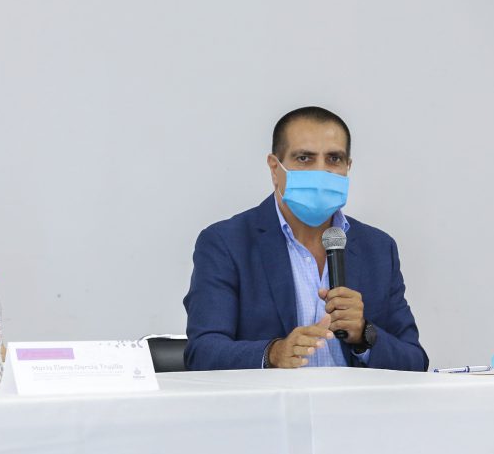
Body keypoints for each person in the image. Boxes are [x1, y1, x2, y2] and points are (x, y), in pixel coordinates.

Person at [183, 107, 428, 371]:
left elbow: (415, 361)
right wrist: (272, 354)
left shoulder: (378, 248)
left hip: (355, 398)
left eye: (334, 159)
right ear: (275, 168)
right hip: (274, 398)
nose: (321, 172)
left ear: (347, 167)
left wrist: (364, 335)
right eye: (304, 158)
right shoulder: (227, 243)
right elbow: (202, 352)